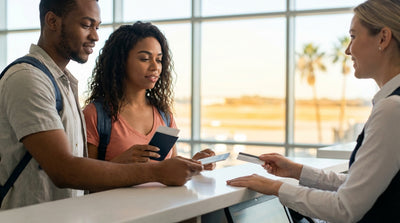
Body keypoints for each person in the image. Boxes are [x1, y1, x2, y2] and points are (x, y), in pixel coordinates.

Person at [0, 0, 202, 210]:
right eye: (86, 25)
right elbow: (64, 170)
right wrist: (156, 172)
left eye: (97, 27)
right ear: (52, 21)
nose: (95, 36)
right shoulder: (28, 78)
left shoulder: (63, 82)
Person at [227, 0, 400, 222]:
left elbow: (344, 208)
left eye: (354, 36)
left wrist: (276, 188)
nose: (348, 50)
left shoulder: (391, 110)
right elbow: (358, 187)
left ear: (383, 38)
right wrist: (297, 171)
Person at [83, 22, 215, 168]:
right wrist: (121, 163)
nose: (155, 67)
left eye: (158, 60)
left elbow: (170, 169)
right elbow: (85, 183)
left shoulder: (164, 114)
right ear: (120, 62)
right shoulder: (95, 115)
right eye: (145, 59)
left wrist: (194, 163)